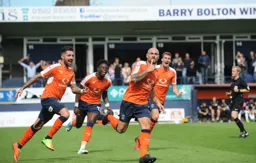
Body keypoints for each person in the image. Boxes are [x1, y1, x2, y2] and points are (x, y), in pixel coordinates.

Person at [12, 46, 87, 162]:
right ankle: (48, 138)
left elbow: (73, 88)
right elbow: (37, 77)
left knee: (37, 125)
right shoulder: (55, 67)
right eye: (69, 55)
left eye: (72, 55)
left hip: (54, 101)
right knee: (66, 114)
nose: (71, 57)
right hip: (48, 98)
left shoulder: (71, 71)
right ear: (62, 57)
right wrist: (23, 88)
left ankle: (18, 145)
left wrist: (82, 91)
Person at [101, 48, 163, 163]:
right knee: (121, 129)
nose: (153, 56)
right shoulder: (140, 65)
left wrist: (158, 103)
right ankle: (109, 117)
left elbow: (151, 90)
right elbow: (133, 78)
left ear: (158, 57)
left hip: (143, 104)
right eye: (151, 54)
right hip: (129, 101)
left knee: (146, 126)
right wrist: (148, 70)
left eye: (156, 54)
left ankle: (143, 156)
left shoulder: (157, 72)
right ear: (147, 55)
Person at [135, 52, 182, 150]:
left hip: (161, 101)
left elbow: (174, 87)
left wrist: (177, 94)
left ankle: (140, 139)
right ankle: (143, 141)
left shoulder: (172, 72)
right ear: (161, 59)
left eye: (169, 58)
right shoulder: (154, 69)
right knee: (155, 116)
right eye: (165, 58)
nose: (167, 60)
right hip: (150, 98)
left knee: (151, 122)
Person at [65, 59, 112, 154]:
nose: (104, 70)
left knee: (90, 123)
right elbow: (79, 90)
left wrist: (108, 106)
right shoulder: (89, 77)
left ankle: (82, 148)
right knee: (78, 125)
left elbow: (104, 94)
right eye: (102, 67)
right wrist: (76, 106)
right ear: (97, 68)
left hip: (95, 105)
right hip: (83, 103)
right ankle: (72, 122)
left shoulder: (108, 82)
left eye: (106, 68)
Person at [226, 66, 250, 138]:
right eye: (232, 71)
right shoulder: (233, 81)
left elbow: (248, 89)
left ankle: (244, 132)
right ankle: (244, 132)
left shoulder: (241, 80)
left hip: (239, 100)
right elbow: (233, 91)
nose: (232, 72)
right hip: (233, 100)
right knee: (234, 117)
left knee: (234, 115)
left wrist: (239, 90)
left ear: (238, 72)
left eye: (233, 71)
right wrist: (229, 93)